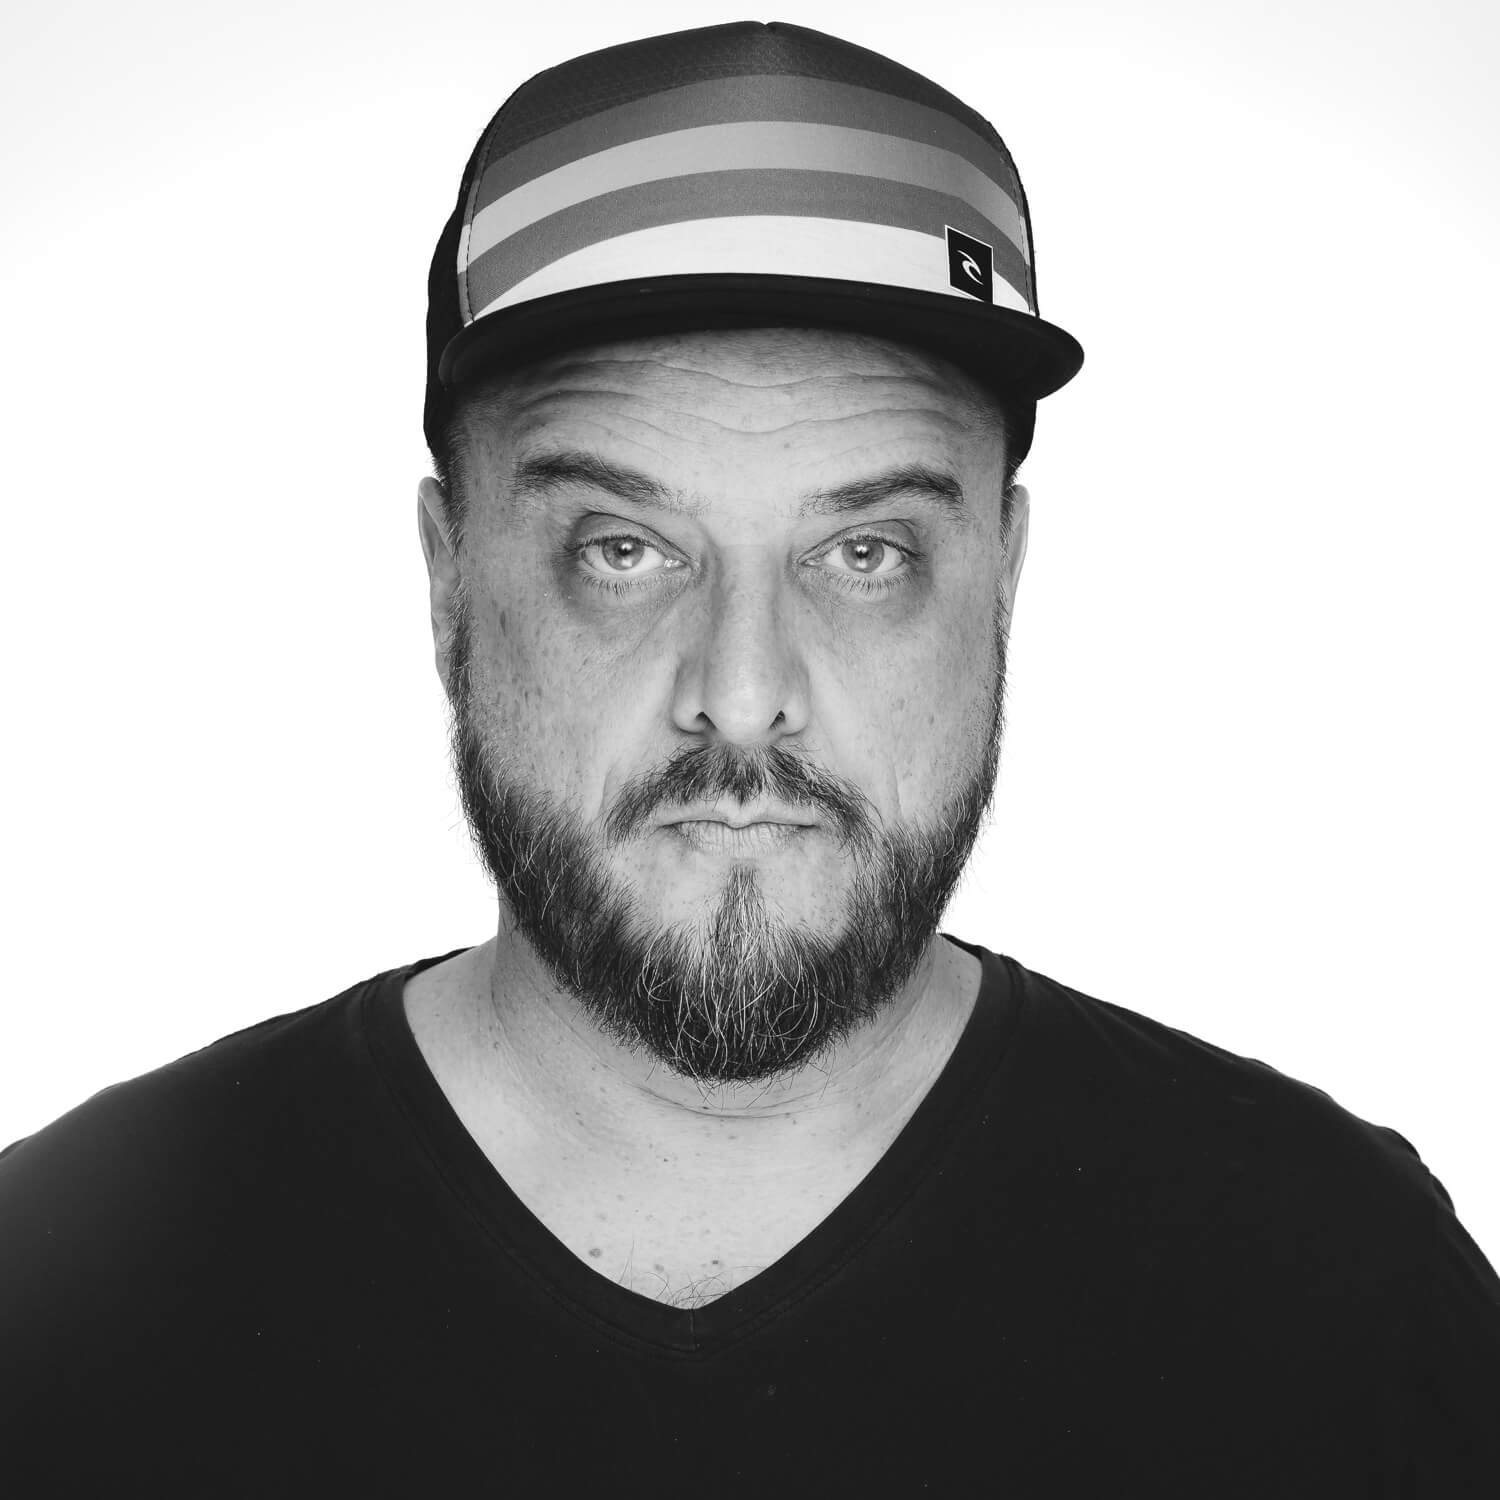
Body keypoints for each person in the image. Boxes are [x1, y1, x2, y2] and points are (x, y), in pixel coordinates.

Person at [3, 20, 1497, 1496]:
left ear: (1003, 578)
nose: (742, 693)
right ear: (450, 579)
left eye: (864, 551)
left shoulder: (1335, 1291)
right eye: (626, 547)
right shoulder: (61, 1304)